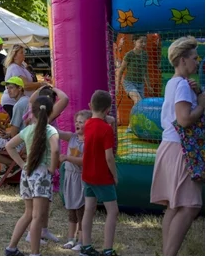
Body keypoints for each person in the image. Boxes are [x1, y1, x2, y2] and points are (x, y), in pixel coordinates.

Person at [150, 36, 203, 256]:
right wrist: (203, 104)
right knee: (190, 206)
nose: (197, 62)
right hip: (181, 150)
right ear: (182, 60)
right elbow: (184, 120)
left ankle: (167, 253)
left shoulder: (174, 83)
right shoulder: (181, 85)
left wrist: (198, 93)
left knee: (174, 205)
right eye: (194, 58)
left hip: (170, 147)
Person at [3, 95, 60, 256]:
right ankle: (34, 253)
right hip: (42, 175)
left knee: (28, 214)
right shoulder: (51, 131)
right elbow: (55, 150)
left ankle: (11, 247)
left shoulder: (27, 130)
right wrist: (52, 167)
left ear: (32, 112)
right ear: (50, 112)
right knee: (37, 216)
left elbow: (9, 146)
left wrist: (22, 164)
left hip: (27, 174)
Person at [79, 90, 120, 256]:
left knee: (89, 209)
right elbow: (109, 157)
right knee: (113, 211)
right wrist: (114, 175)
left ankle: (86, 245)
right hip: (102, 176)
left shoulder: (87, 124)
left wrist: (108, 120)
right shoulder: (106, 129)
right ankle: (108, 249)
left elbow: (100, 122)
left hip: (88, 174)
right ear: (108, 109)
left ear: (91, 106)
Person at [60, 110, 91, 251]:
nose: (77, 124)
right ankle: (70, 239)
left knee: (81, 211)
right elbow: (58, 132)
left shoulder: (88, 141)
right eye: (76, 121)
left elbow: (84, 161)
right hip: (69, 177)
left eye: (81, 122)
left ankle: (81, 240)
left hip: (80, 179)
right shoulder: (72, 137)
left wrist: (67, 158)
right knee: (71, 211)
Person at [2, 45, 41, 115]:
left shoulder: (21, 66)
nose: (24, 54)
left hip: (19, 101)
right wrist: (40, 84)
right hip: (13, 102)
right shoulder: (14, 67)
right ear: (14, 56)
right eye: (21, 52)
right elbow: (25, 85)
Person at [116, 35, 148, 105]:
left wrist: (149, 86)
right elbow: (121, 71)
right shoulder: (129, 55)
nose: (143, 44)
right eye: (141, 42)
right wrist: (117, 87)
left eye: (145, 42)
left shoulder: (145, 55)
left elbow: (145, 71)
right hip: (129, 83)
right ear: (134, 42)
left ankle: (135, 112)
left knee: (141, 105)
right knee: (138, 100)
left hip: (140, 84)